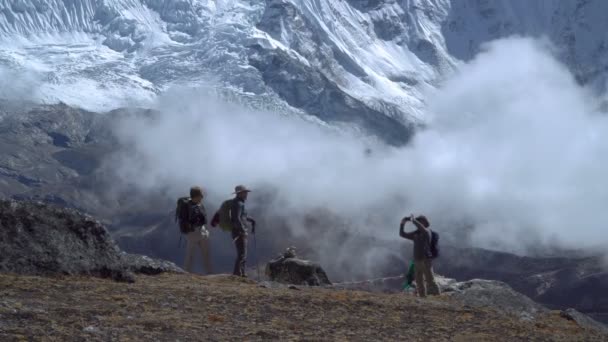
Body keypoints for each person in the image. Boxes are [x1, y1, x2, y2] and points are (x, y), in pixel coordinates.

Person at [399, 214, 440, 297]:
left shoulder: (427, 232)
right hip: (417, 260)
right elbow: (402, 234)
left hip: (425, 260)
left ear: (425, 222)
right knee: (419, 280)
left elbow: (423, 229)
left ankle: (438, 296)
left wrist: (413, 220)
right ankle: (422, 297)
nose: (418, 223)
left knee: (430, 280)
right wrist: (402, 224)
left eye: (420, 221)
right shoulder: (416, 233)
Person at [184, 186, 212, 274]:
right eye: (200, 195)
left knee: (204, 254)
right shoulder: (189, 207)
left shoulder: (199, 205)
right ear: (196, 196)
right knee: (191, 255)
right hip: (193, 233)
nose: (202, 197)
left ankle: (209, 273)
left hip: (200, 231)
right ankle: (186, 273)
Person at [231, 185, 256, 277]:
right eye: (245, 193)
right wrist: (242, 230)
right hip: (239, 232)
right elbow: (237, 218)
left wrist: (251, 220)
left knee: (242, 253)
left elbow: (242, 217)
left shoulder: (238, 203)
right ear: (240, 193)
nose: (246, 194)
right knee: (242, 253)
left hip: (238, 231)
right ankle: (238, 273)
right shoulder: (238, 204)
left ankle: (241, 272)